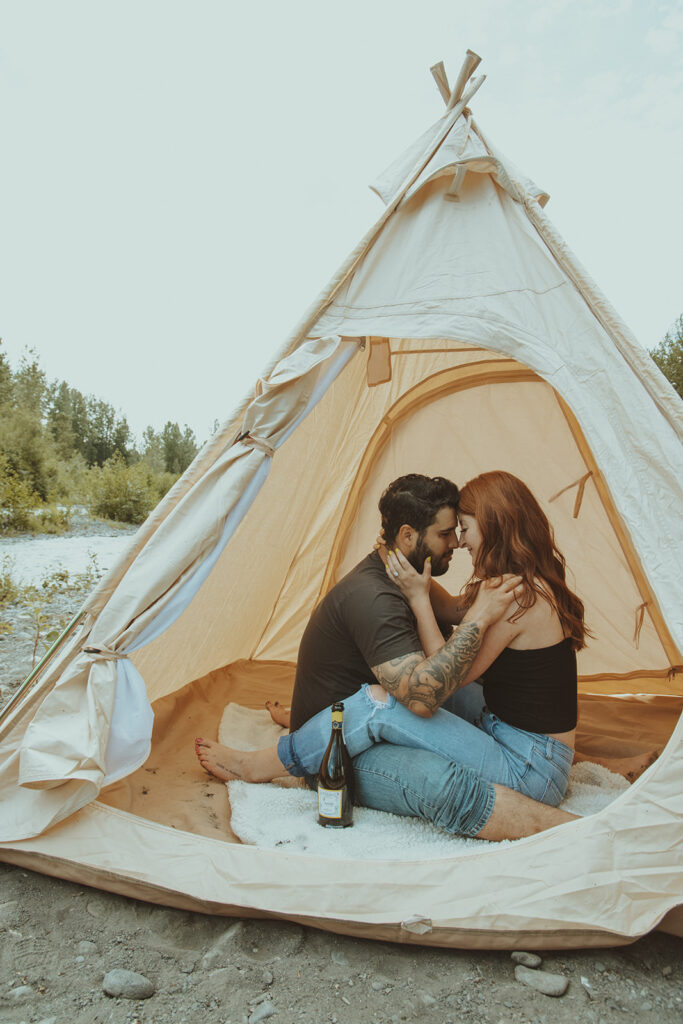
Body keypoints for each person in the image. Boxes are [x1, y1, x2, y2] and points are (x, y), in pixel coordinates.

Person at [196, 473, 578, 841]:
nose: (460, 543)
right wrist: (425, 591)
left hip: (528, 763)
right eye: (449, 533)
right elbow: (454, 631)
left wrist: (426, 600)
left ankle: (267, 758)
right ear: (408, 536)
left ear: (494, 528)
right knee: (416, 686)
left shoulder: (514, 598)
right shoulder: (520, 584)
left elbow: (443, 681)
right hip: (528, 748)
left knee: (382, 700)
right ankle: (303, 733)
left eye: (462, 529)